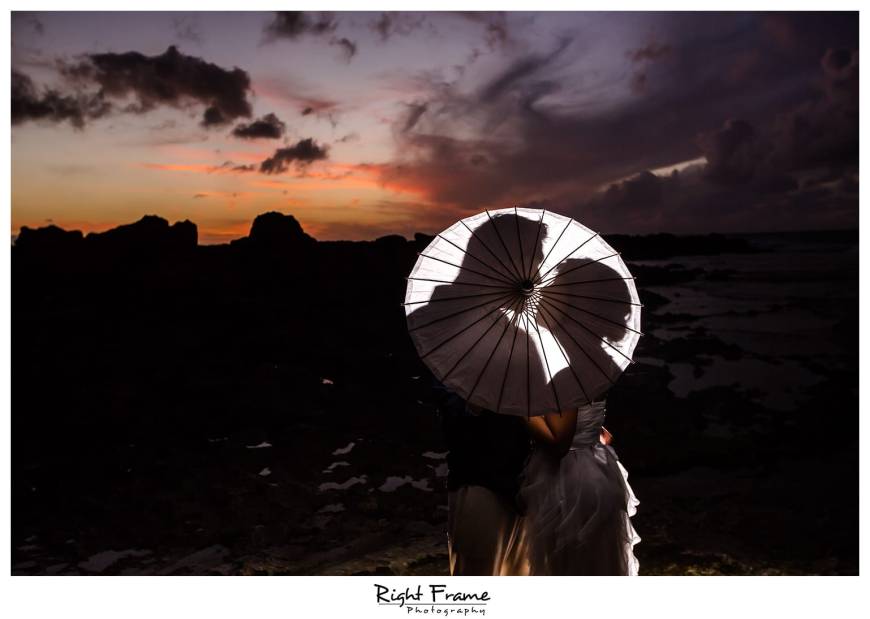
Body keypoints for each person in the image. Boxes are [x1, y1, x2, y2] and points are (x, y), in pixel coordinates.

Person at [518, 400, 640, 575]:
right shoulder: (585, 376)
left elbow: (558, 442)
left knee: (574, 560)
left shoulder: (560, 380)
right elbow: (602, 434)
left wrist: (522, 410)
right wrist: (588, 429)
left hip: (571, 477)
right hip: (596, 467)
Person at [435, 380, 532, 575]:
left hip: (525, 488)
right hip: (480, 485)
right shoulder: (463, 374)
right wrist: (473, 405)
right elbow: (453, 425)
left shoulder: (528, 375)